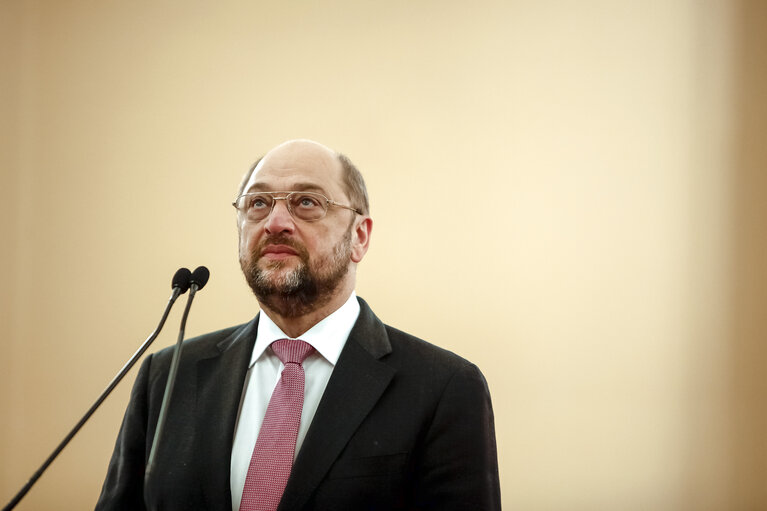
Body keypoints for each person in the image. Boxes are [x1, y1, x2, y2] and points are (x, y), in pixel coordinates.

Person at [95, 139, 501, 510]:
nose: (275, 222)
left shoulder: (443, 388)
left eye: (306, 202)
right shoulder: (167, 377)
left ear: (360, 236)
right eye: (257, 203)